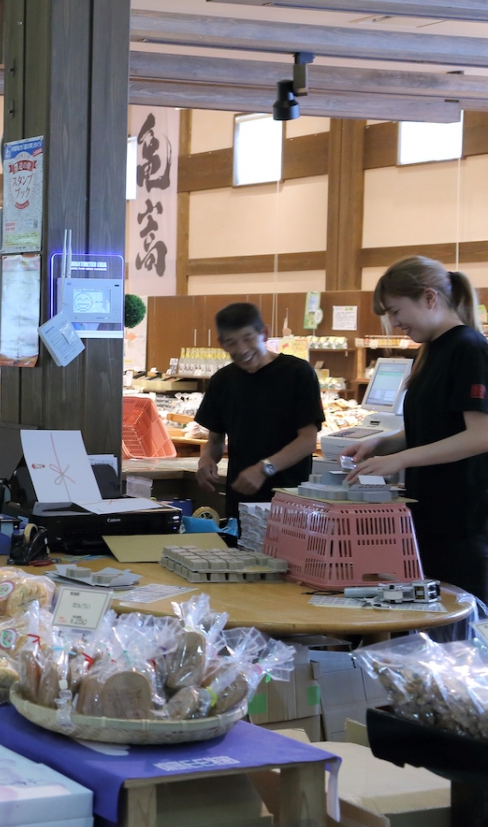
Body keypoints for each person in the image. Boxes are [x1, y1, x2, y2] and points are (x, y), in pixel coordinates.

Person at [345, 256, 488, 605]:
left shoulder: (469, 349)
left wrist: (402, 459)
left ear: (429, 297)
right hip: (430, 516)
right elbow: (435, 428)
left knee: (462, 626)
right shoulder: (432, 352)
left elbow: (480, 435)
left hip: (464, 523)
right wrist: (383, 444)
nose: (395, 324)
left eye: (396, 312)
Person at [194, 302, 324, 523]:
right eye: (232, 342)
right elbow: (215, 441)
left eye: (248, 338)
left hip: (290, 500)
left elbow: (308, 441)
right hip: (241, 502)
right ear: (222, 344)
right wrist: (205, 462)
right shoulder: (222, 381)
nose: (242, 349)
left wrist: (264, 469)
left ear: (264, 333)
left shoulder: (298, 373)